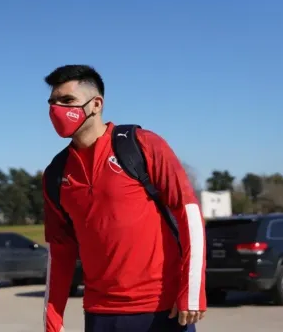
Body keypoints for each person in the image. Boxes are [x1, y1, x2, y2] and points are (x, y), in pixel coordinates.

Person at [42, 65, 206, 332]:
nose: (56, 109)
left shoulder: (142, 144)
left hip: (161, 308)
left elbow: (188, 213)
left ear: (95, 104)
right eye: (52, 103)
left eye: (67, 100)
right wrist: (53, 320)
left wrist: (192, 291)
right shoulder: (55, 173)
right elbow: (60, 250)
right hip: (100, 313)